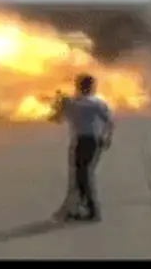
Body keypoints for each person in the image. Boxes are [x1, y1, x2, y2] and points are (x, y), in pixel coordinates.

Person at [53, 74, 114, 223]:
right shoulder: (97, 103)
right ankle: (78, 208)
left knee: (82, 176)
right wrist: (107, 138)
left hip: (82, 141)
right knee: (84, 175)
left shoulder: (73, 103)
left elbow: (56, 119)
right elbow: (110, 122)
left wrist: (60, 104)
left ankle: (91, 210)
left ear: (78, 86)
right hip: (94, 141)